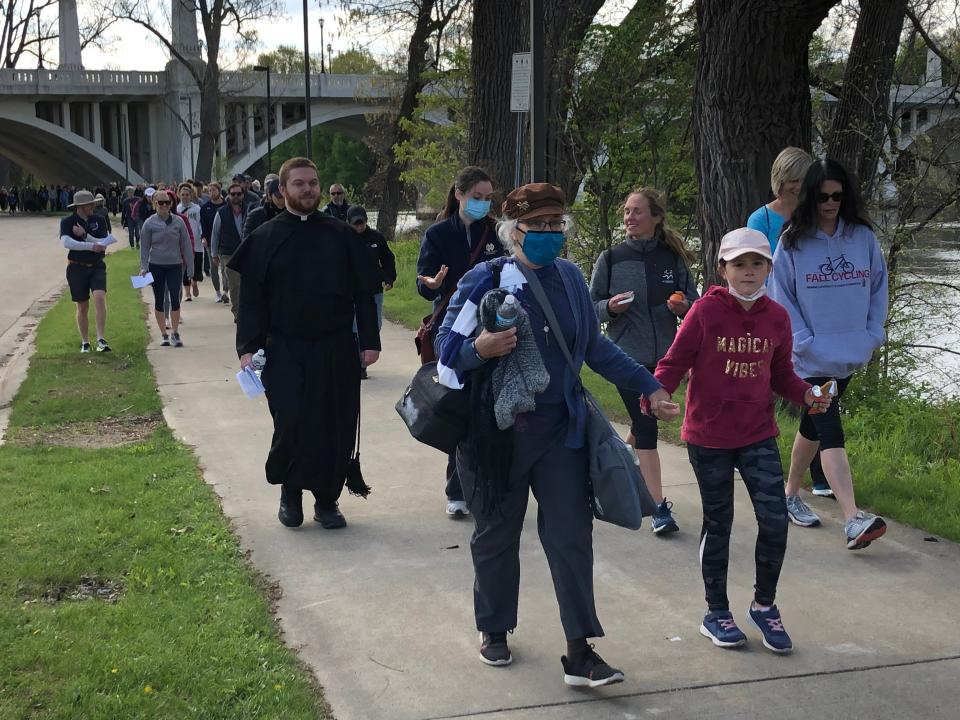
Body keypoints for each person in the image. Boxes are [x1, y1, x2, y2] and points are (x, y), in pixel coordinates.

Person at [437, 182, 677, 684]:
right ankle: (495, 628)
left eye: (556, 226)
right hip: (496, 437)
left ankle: (580, 650)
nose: (548, 235)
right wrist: (481, 347)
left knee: (571, 535)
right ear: (513, 230)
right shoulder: (485, 279)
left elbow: (597, 349)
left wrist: (649, 387)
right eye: (537, 226)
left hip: (560, 433)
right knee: (497, 534)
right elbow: (446, 348)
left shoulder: (569, 278)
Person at [650, 227, 830, 654]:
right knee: (720, 524)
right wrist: (658, 395)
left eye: (756, 264)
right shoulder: (705, 313)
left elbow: (781, 374)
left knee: (773, 520)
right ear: (722, 269)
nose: (748, 272)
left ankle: (764, 606)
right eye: (739, 264)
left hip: (757, 434)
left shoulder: (777, 318)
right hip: (709, 435)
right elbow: (673, 363)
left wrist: (807, 394)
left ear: (769, 268)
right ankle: (716, 613)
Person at [229, 157, 381, 529]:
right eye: (299, 184)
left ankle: (327, 500)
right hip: (284, 349)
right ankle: (291, 492)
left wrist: (370, 340)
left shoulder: (341, 235)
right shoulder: (263, 239)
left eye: (313, 183)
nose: (308, 189)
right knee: (291, 422)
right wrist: (247, 348)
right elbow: (250, 301)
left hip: (335, 347)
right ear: (282, 190)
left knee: (334, 422)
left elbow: (365, 291)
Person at [770, 158, 889, 550]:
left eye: (837, 196)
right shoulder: (791, 242)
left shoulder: (862, 238)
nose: (830, 203)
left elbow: (877, 288)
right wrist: (803, 341)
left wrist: (871, 335)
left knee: (813, 424)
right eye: (822, 196)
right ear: (810, 197)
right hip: (810, 357)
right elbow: (782, 297)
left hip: (850, 351)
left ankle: (789, 493)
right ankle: (853, 518)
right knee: (831, 428)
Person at [589, 188, 699, 534]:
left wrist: (683, 308)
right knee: (648, 424)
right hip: (626, 359)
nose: (629, 218)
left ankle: (610, 471)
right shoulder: (611, 258)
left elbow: (697, 306)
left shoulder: (672, 258)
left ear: (656, 217)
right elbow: (589, 309)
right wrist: (610, 307)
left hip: (667, 360)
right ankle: (657, 508)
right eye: (626, 212)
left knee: (642, 424)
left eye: (637, 212)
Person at [417, 166, 505, 519]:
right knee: (459, 409)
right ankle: (457, 488)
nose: (482, 204)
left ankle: (492, 483)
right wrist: (432, 286)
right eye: (476, 198)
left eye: (487, 199)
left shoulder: (497, 233)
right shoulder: (439, 234)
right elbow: (423, 284)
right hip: (453, 331)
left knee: (492, 409)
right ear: (459, 194)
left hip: (492, 329)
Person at [748, 147, 833, 498]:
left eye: (804, 181)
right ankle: (757, 453)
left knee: (818, 388)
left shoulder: (817, 217)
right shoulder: (762, 220)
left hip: (812, 314)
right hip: (773, 313)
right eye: (792, 182)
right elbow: (755, 266)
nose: (798, 188)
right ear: (780, 182)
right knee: (775, 385)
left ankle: (820, 471)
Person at [59, 189, 116, 353]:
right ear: (81, 206)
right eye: (90, 204)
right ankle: (85, 341)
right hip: (76, 267)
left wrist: (85, 235)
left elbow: (102, 243)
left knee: (99, 297)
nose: (93, 206)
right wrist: (91, 246)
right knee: (82, 306)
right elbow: (67, 243)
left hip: (96, 265)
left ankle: (101, 339)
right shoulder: (67, 222)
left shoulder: (99, 219)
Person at [347, 204, 396, 378]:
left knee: (374, 326)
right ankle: (358, 364)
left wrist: (389, 278)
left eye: (362, 223)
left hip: (373, 290)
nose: (359, 226)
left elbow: (388, 258)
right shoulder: (344, 238)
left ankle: (364, 358)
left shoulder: (376, 238)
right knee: (354, 326)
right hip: (351, 291)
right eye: (355, 224)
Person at [139, 190, 194, 348]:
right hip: (156, 265)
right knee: (160, 299)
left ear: (171, 204)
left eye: (167, 203)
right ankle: (164, 334)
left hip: (175, 265)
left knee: (175, 298)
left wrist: (190, 268)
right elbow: (144, 248)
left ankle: (175, 332)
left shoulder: (178, 222)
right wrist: (143, 267)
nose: (164, 205)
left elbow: (186, 246)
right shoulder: (149, 223)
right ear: (154, 204)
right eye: (160, 203)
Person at [747, 147, 814, 253]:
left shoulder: (818, 213)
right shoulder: (760, 220)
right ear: (779, 180)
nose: (800, 186)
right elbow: (754, 263)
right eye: (794, 180)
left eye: (805, 180)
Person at [211, 182, 251, 321]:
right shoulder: (221, 212)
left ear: (243, 195)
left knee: (247, 283)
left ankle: (247, 309)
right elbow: (215, 234)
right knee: (235, 283)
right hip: (229, 253)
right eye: (233, 194)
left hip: (247, 252)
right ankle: (237, 312)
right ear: (228, 195)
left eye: (238, 194)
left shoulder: (250, 210)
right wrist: (214, 254)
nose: (235, 196)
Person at [176, 183, 204, 301]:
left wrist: (203, 237)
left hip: (196, 243)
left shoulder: (197, 209)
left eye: (187, 195)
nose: (185, 197)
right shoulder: (177, 208)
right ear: (179, 195)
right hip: (182, 243)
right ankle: (187, 293)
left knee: (196, 266)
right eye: (183, 195)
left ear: (191, 195)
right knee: (185, 267)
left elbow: (200, 224)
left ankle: (194, 282)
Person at [199, 182, 227, 302]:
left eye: (214, 190)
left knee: (225, 268)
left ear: (219, 191)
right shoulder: (205, 208)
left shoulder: (226, 205)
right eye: (209, 191)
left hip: (225, 241)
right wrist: (203, 237)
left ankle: (226, 290)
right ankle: (218, 292)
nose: (211, 193)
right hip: (210, 241)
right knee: (213, 267)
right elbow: (203, 225)